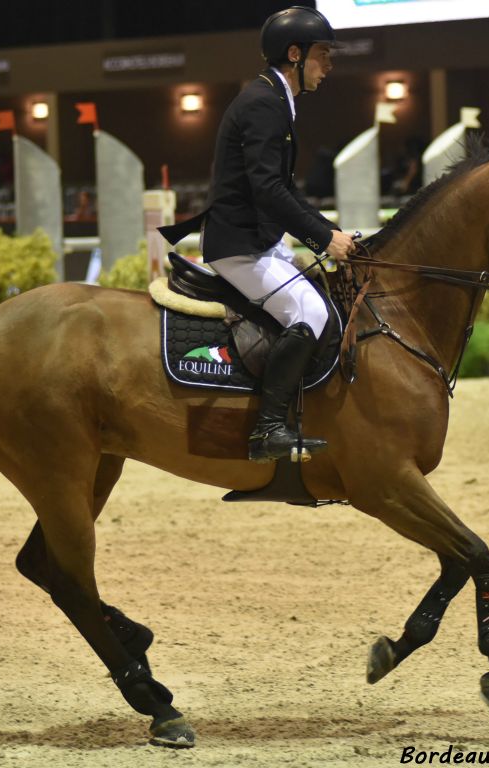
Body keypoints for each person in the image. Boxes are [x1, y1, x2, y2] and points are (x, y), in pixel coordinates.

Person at [160, 5, 354, 463]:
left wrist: (330, 231)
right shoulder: (263, 102)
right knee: (309, 313)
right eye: (323, 55)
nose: (329, 66)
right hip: (240, 246)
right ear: (295, 53)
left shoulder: (275, 99)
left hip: (259, 240)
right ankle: (267, 429)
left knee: (321, 300)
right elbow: (267, 190)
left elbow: (282, 189)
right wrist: (324, 241)